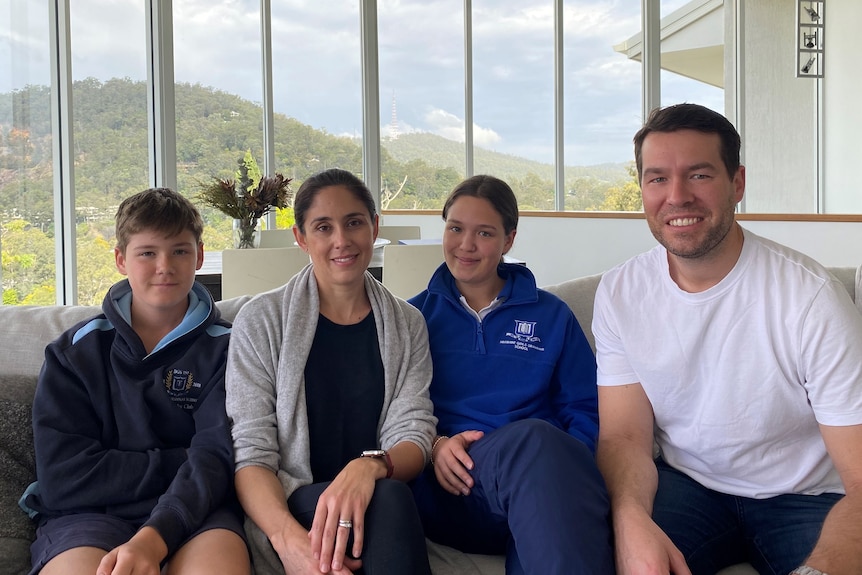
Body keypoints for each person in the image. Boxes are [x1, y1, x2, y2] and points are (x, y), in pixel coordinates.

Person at [593, 102, 862, 575]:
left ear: (737, 183)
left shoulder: (810, 297)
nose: (676, 196)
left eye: (698, 175)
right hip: (690, 486)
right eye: (657, 178)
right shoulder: (620, 293)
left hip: (804, 495)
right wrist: (630, 517)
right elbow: (625, 436)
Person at [20, 188, 249, 575]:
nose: (165, 266)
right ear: (120, 259)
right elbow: (64, 478)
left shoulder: (229, 349)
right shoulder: (73, 353)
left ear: (200, 256)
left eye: (180, 250)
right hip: (87, 517)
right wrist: (179, 460)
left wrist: (156, 529)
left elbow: (216, 462)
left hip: (196, 512)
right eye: (147, 253)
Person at [225, 168, 436, 575]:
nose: (342, 240)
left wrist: (369, 466)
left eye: (354, 222)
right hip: (295, 504)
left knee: (388, 496)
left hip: (378, 501)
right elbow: (251, 453)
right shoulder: (261, 321)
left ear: (374, 227)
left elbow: (415, 432)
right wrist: (290, 543)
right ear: (301, 238)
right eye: (323, 227)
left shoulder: (407, 324)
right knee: (388, 500)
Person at [408, 174, 615, 574]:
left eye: (484, 233)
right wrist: (435, 445)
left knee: (549, 513)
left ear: (508, 240)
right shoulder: (413, 318)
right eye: (455, 228)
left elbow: (586, 409)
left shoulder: (551, 314)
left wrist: (568, 470)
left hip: (542, 485)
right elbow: (395, 411)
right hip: (455, 490)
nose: (466, 245)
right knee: (534, 440)